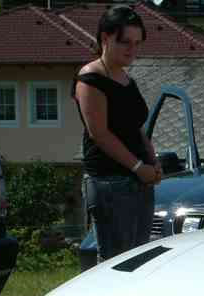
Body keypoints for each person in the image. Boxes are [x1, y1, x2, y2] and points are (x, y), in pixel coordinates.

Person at [73, 5, 161, 264]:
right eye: (125, 42)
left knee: (140, 261)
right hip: (109, 183)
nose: (132, 50)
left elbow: (136, 127)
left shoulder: (126, 78)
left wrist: (153, 161)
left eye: (137, 43)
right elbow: (99, 133)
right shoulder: (90, 79)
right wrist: (138, 167)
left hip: (139, 181)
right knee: (116, 263)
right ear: (105, 38)